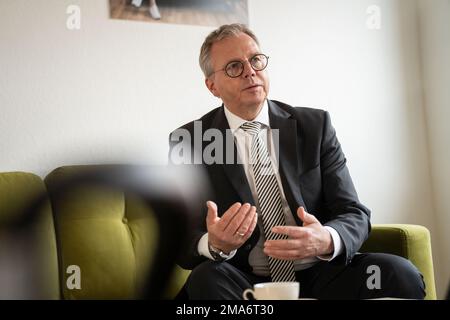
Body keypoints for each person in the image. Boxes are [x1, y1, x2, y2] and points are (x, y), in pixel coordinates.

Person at [169, 23, 426, 300]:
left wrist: (326, 238)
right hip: (243, 280)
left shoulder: (314, 126)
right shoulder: (190, 140)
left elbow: (354, 212)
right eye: (234, 66)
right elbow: (180, 240)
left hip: (321, 272)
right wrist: (214, 243)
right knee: (207, 279)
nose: (250, 71)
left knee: (398, 273)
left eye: (255, 60)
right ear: (212, 86)